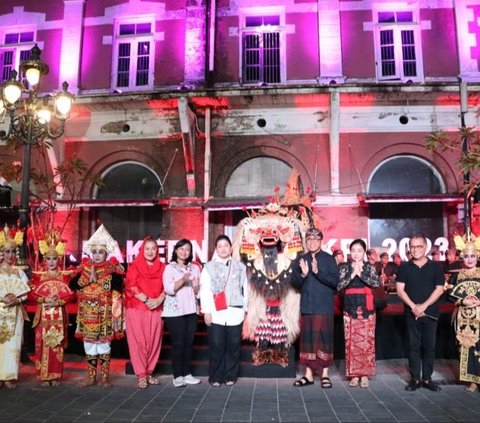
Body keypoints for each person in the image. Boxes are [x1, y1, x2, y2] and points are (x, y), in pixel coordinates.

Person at [70, 224, 125, 388]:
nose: (97, 255)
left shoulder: (112, 270)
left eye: (101, 252)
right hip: (86, 315)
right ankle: (91, 377)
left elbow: (118, 292)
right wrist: (88, 279)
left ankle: (105, 377)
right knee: (89, 345)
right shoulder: (84, 269)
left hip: (105, 315)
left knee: (103, 345)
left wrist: (116, 315)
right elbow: (73, 285)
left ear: (106, 253)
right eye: (94, 252)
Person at [290, 228, 340, 389]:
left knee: (324, 341)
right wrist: (303, 275)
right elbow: (294, 284)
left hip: (324, 307)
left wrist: (318, 272)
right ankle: (308, 375)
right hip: (307, 306)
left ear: (320, 241)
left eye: (315, 240)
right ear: (306, 242)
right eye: (309, 240)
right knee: (307, 343)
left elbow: (335, 283)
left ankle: (325, 374)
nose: (312, 242)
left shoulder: (329, 259)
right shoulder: (300, 259)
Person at [396, 234, 445, 392]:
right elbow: (400, 289)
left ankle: (427, 378)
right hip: (412, 313)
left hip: (430, 313)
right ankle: (415, 379)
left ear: (426, 248)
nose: (415, 250)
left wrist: (423, 306)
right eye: (412, 246)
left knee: (429, 346)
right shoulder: (404, 267)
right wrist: (413, 307)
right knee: (413, 346)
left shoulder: (435, 267)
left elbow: (439, 289)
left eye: (419, 246)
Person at [199, 235, 248, 387]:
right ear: (216, 249)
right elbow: (204, 289)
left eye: (226, 245)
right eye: (219, 246)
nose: (223, 249)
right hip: (216, 313)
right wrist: (206, 311)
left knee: (233, 345)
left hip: (235, 313)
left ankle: (230, 376)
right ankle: (215, 376)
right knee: (216, 344)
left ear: (231, 248)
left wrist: (245, 310)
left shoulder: (240, 267)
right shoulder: (208, 267)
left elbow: (245, 289)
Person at [29, 231, 76, 386]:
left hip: (58, 314)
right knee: (42, 345)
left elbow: (70, 295)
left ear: (59, 259)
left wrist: (59, 301)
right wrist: (44, 299)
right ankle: (44, 376)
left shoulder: (64, 277)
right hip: (43, 314)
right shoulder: (38, 277)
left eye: (54, 258)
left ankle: (55, 376)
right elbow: (32, 295)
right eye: (48, 258)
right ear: (44, 260)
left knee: (57, 345)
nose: (51, 262)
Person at [125, 236, 166, 389]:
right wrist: (148, 300)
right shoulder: (135, 266)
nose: (150, 251)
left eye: (153, 248)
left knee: (154, 341)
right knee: (139, 342)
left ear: (157, 250)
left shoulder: (163, 267)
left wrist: (159, 300)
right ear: (142, 250)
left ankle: (149, 372)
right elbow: (131, 286)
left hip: (157, 309)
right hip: (137, 309)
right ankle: (141, 375)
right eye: (147, 248)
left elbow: (167, 287)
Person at [338, 239, 380, 388]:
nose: (356, 253)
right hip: (350, 306)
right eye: (353, 250)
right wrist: (352, 274)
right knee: (351, 341)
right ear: (350, 252)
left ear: (364, 252)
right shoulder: (344, 267)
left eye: (359, 250)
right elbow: (339, 285)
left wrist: (361, 274)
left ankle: (365, 375)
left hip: (367, 307)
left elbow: (376, 283)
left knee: (367, 341)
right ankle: (353, 375)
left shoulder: (370, 267)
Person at [162, 239, 201, 387]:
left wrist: (197, 288)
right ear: (176, 250)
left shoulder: (195, 268)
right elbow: (169, 289)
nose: (184, 252)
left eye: (188, 250)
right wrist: (183, 280)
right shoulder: (170, 268)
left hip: (191, 310)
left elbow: (197, 293)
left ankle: (187, 373)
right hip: (175, 312)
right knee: (178, 343)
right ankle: (177, 375)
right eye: (182, 249)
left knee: (188, 343)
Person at [447, 233, 480, 393]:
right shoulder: (456, 275)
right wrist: (462, 300)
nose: (470, 259)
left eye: (473, 255)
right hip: (463, 317)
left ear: (478, 256)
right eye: (466, 256)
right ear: (462, 257)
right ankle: (472, 380)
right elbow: (449, 295)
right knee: (466, 346)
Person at [0, 225, 30, 389]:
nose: (10, 255)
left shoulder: (20, 272)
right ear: (1, 253)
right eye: (7, 251)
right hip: (0, 310)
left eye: (12, 251)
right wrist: (3, 299)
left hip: (15, 311)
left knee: (13, 343)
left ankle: (8, 376)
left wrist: (17, 300)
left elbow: (25, 293)